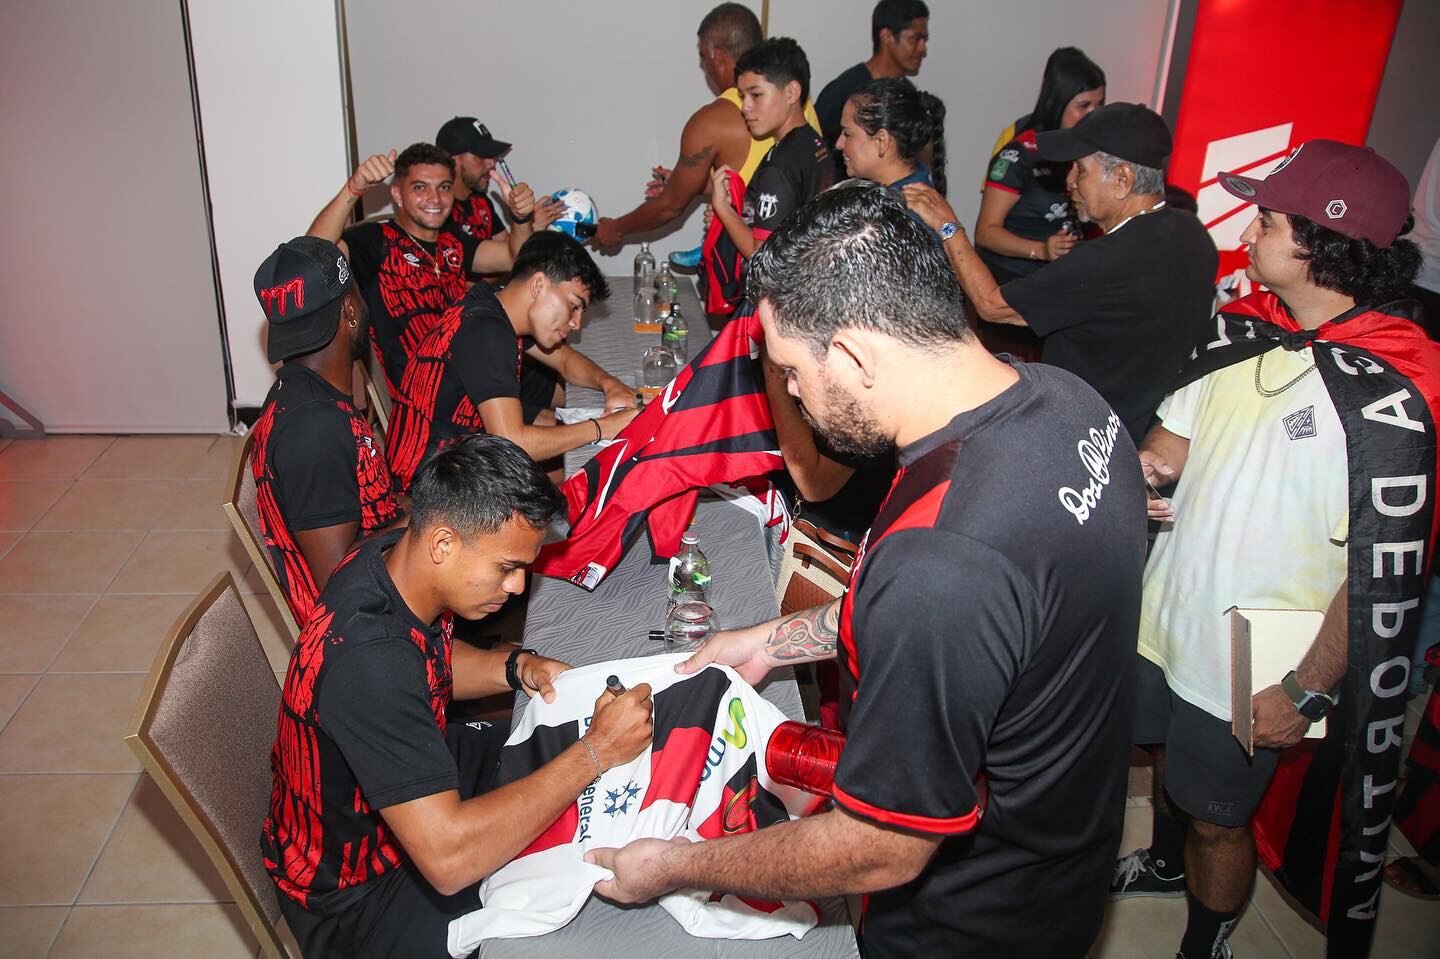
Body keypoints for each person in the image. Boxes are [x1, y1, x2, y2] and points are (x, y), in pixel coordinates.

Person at [586, 185, 1146, 956]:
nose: (787, 392)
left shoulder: (944, 560)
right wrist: (768, 642)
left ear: (852, 354)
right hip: (1069, 854)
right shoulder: (1071, 403)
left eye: (788, 369)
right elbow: (992, 618)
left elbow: (881, 841)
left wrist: (672, 865)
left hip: (972, 919)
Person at [1125, 140, 1438, 959]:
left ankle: (1206, 940)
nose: (1249, 231)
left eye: (1265, 218)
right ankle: (1162, 864)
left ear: (1319, 240)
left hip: (1253, 657)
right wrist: (1140, 471)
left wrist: (1305, 688)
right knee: (1163, 762)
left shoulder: (1392, 395)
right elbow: (1171, 443)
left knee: (1218, 819)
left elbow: (1379, 575)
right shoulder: (1244, 333)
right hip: (1164, 615)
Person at [262, 433, 655, 959]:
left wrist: (515, 667)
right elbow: (449, 862)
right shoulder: (368, 665)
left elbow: (427, 659)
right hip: (360, 901)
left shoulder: (388, 558)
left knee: (549, 747)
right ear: (443, 544)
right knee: (587, 907)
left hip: (403, 808)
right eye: (506, 567)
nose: (517, 588)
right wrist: (596, 753)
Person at [905, 103, 1218, 444]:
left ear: (1122, 179)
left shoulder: (1106, 260)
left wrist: (947, 225)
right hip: (1142, 437)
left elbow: (992, 305)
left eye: (1080, 170)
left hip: (1082, 442)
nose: (1069, 182)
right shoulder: (1194, 235)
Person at [385, 232, 639, 491]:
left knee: (571, 443)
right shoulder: (488, 333)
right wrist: (602, 428)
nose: (576, 323)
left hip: (457, 449)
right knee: (591, 476)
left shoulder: (497, 302)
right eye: (574, 306)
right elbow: (511, 441)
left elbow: (563, 359)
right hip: (429, 481)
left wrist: (610, 384)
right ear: (539, 285)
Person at [306, 143, 546, 398]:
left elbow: (513, 257)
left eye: (443, 187)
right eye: (420, 187)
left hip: (470, 376)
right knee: (546, 415)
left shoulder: (452, 243)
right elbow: (312, 254)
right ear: (397, 194)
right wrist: (354, 189)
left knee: (550, 375)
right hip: (424, 399)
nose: (435, 198)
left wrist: (520, 218)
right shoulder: (375, 240)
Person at [249, 236, 403, 628]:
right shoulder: (314, 427)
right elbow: (341, 582)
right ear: (351, 311)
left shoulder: (307, 390)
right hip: (367, 633)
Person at [592, 3, 818, 251]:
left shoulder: (711, 122)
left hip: (756, 275)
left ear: (718, 56)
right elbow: (767, 186)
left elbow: (670, 206)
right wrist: (693, 182)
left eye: (702, 56)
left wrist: (615, 228)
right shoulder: (797, 106)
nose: (746, 109)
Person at [977, 47, 1106, 283]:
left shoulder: (1093, 150)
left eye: (1099, 104)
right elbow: (985, 233)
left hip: (1064, 280)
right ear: (1058, 103)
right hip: (1013, 282)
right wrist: (1042, 250)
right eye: (1084, 106)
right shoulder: (1019, 154)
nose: (1092, 115)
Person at [708, 38, 831, 266]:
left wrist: (723, 208)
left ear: (792, 92)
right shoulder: (812, 140)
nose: (745, 107)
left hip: (779, 296)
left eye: (756, 94)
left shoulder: (780, 166)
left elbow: (761, 256)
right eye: (743, 96)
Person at [814, 0, 929, 178]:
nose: (923, 49)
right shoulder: (845, 91)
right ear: (887, 36)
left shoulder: (907, 95)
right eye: (915, 39)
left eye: (925, 40)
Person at [836, 76, 946, 239]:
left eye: (847, 134)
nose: (839, 144)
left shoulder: (902, 217)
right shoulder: (888, 197)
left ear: (882, 140)